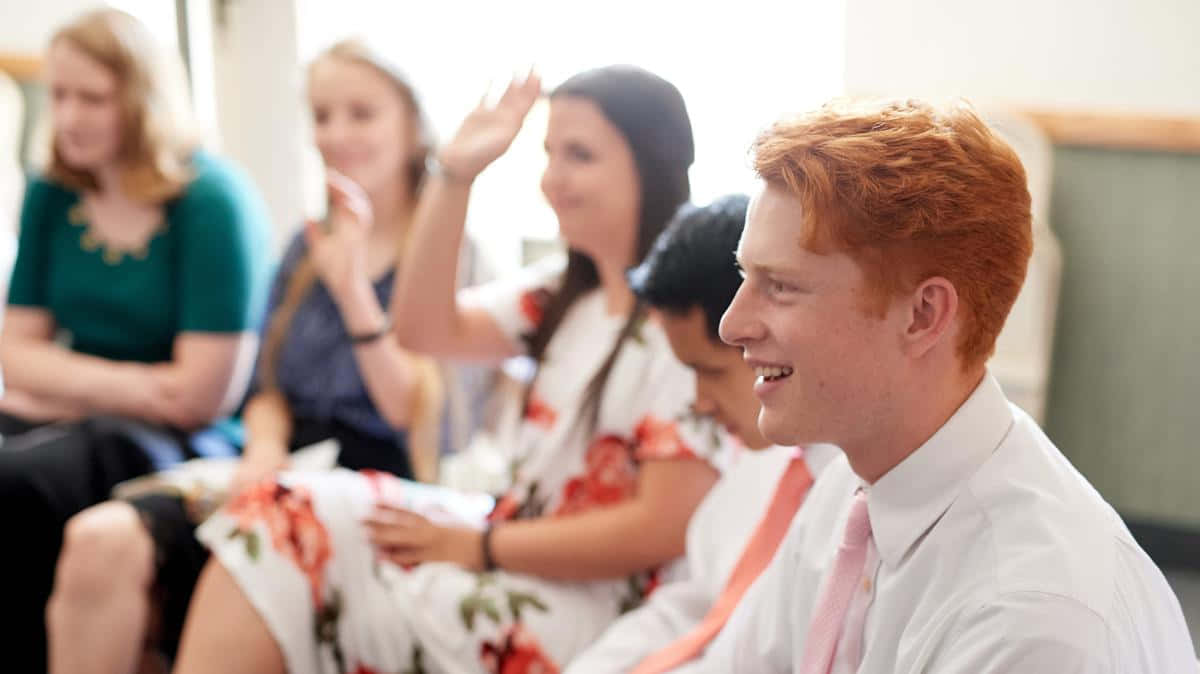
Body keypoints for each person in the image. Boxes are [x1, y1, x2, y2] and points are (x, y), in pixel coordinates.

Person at [173, 66, 730, 674]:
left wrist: (478, 546)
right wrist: (455, 174)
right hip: (503, 538)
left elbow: (659, 527)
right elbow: (421, 328)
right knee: (273, 510)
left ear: (651, 162)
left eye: (580, 155)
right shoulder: (564, 295)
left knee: (303, 570)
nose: (552, 180)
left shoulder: (680, 321)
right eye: (548, 154)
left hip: (580, 596)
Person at [693, 98, 1198, 672]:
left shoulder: (1034, 624)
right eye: (744, 275)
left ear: (924, 315)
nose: (732, 325)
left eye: (780, 286)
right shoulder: (852, 485)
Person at [43, 39, 447, 673]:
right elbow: (266, 389)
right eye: (321, 115)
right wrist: (263, 451)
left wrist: (353, 292)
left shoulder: (448, 254)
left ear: (414, 126)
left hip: (381, 478)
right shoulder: (304, 246)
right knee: (99, 540)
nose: (336, 133)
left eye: (361, 114)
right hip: (277, 458)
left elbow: (417, 415)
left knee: (235, 570)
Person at [0, 9, 271, 672]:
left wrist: (63, 379)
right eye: (59, 96)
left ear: (143, 99)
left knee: (17, 482)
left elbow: (201, 396)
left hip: (183, 439)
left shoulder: (211, 201)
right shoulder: (52, 195)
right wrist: (134, 386)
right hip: (81, 414)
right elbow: (14, 352)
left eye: (92, 97)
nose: (68, 117)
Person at [565, 194, 839, 673]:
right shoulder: (753, 479)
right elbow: (684, 611)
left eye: (711, 371)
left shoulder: (852, 499)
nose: (700, 402)